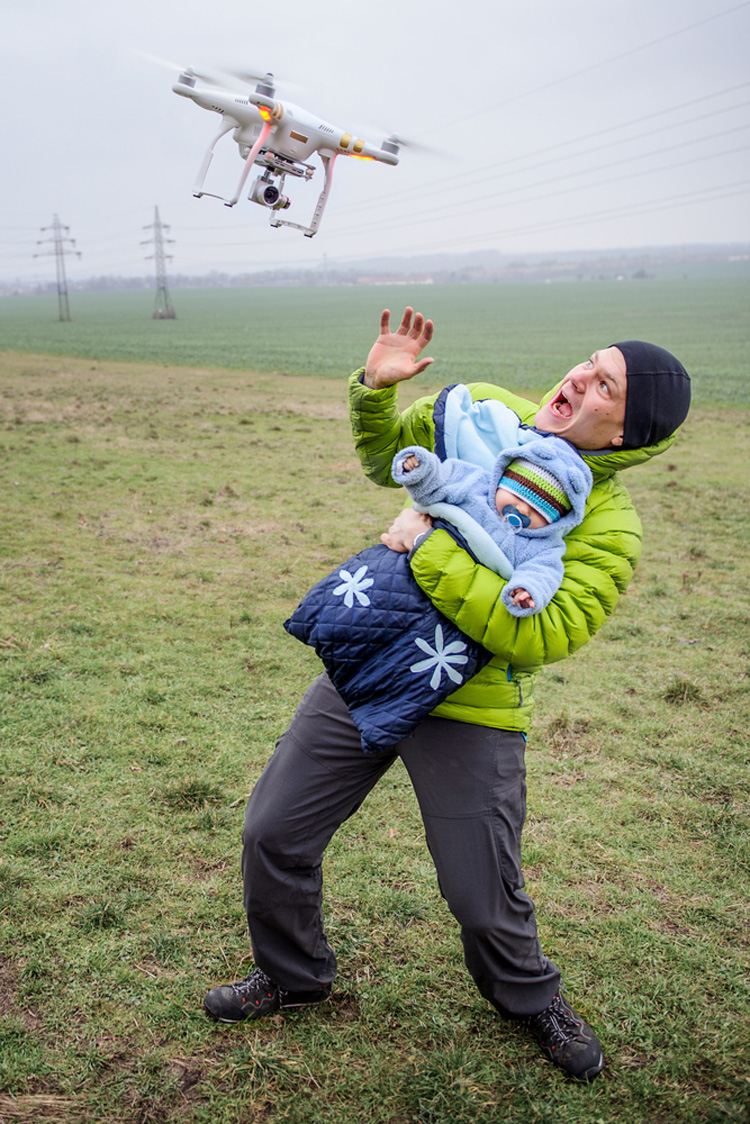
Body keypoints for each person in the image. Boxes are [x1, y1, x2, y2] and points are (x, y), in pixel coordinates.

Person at [204, 307, 691, 1083]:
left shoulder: (610, 523)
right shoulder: (482, 414)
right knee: (273, 832)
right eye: (588, 362)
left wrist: (431, 545)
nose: (577, 379)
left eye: (606, 386)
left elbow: (540, 633)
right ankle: (294, 975)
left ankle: (530, 1001)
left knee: (480, 893)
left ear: (627, 435)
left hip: (472, 705)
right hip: (371, 666)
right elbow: (384, 461)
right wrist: (373, 391)